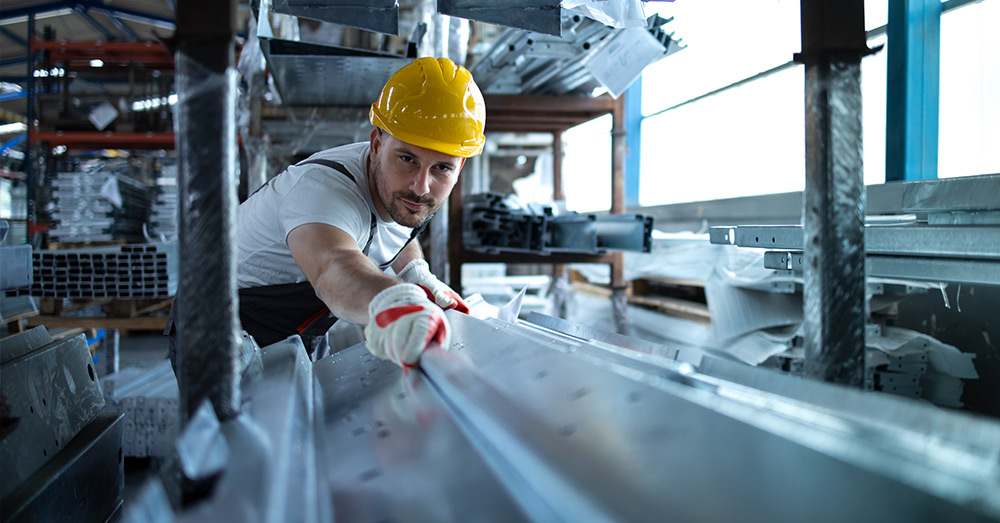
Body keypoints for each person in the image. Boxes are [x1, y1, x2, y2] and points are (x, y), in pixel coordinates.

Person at [167, 56, 485, 369]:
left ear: (460, 168)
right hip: (222, 327)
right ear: (377, 144)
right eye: (407, 159)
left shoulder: (400, 192)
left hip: (300, 327)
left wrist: (415, 272)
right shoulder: (321, 192)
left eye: (442, 167)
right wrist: (394, 300)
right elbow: (332, 267)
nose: (421, 187)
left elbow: (398, 232)